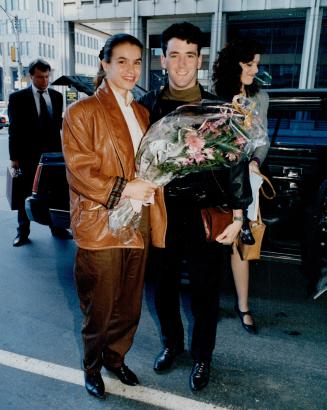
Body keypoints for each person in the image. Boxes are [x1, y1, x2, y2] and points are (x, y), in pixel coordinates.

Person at [139, 22, 252, 392]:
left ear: (200, 59)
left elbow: (235, 162)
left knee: (205, 292)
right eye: (174, 55)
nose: (182, 63)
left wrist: (239, 216)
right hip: (163, 213)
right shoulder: (146, 106)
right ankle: (172, 345)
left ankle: (203, 356)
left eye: (190, 55)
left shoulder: (219, 107)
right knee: (164, 287)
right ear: (162, 59)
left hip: (206, 212)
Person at [62, 34, 166, 400]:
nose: (130, 69)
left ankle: (115, 356)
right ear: (104, 63)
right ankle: (92, 365)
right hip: (101, 221)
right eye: (121, 60)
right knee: (100, 305)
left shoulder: (142, 113)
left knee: (129, 303)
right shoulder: (81, 112)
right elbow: (80, 170)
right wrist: (124, 189)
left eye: (137, 61)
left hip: (136, 221)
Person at [212, 39, 270, 334]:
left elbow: (263, 139)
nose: (256, 69)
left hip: (245, 180)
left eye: (257, 64)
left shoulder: (261, 97)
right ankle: (207, 304)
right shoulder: (213, 96)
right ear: (234, 65)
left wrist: (256, 161)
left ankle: (243, 306)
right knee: (212, 240)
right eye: (250, 64)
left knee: (241, 244)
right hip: (215, 179)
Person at [8, 58, 71, 246]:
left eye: (46, 77)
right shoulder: (18, 98)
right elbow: (14, 130)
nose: (44, 81)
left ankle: (57, 228)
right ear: (31, 76)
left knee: (56, 193)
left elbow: (57, 127)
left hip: (54, 156)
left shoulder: (57, 97)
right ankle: (23, 232)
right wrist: (14, 158)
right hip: (28, 156)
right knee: (24, 193)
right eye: (40, 77)